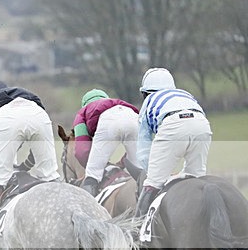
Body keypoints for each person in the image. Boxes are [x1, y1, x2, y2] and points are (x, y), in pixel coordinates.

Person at [0, 79, 61, 247]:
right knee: (50, 175)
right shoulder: (20, 91)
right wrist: (26, 165)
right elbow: (36, 133)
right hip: (38, 113)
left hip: (8, 117)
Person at [134, 67, 212, 220]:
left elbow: (143, 149)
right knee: (196, 178)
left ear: (145, 92)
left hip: (172, 125)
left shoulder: (149, 101)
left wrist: (151, 173)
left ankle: (137, 229)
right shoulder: (184, 94)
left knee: (152, 183)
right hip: (202, 125)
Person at [72, 89, 140, 195]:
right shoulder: (118, 102)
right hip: (133, 117)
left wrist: (96, 165)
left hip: (109, 122)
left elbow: (82, 151)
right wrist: (124, 162)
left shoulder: (82, 113)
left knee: (92, 175)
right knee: (140, 172)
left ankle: (89, 207)